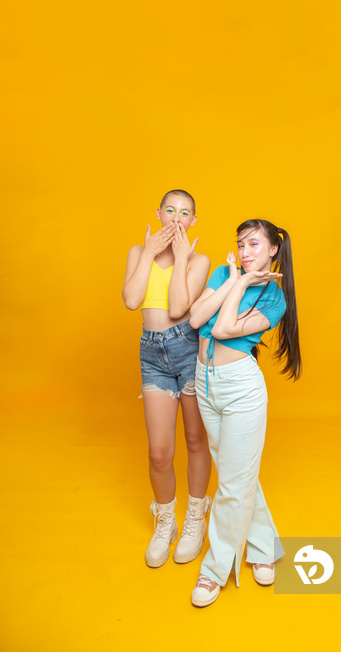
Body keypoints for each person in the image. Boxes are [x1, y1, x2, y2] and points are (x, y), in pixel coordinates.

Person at [188, 218, 302, 607]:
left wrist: (238, 285)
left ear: (273, 250)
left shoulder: (274, 298)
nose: (244, 252)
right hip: (204, 382)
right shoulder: (223, 271)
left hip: (240, 389)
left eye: (254, 244)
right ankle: (265, 547)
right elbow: (195, 319)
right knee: (238, 474)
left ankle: (214, 571)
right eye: (240, 245)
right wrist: (235, 278)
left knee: (233, 484)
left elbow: (221, 329)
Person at [122, 190, 212, 569]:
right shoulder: (136, 253)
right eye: (170, 210)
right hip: (153, 355)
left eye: (185, 213)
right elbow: (131, 300)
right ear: (159, 214)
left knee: (195, 438)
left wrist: (180, 259)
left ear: (193, 221)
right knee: (159, 451)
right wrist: (147, 253)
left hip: (188, 351)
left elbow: (178, 308)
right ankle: (166, 520)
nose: (177, 217)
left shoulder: (199, 259)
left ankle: (195, 516)